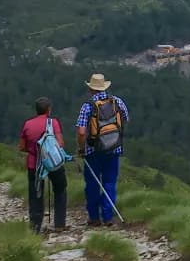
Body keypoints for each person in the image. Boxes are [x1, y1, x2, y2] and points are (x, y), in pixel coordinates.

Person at [76, 73, 130, 228]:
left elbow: (81, 131)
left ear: (91, 89)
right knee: (109, 183)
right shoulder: (117, 102)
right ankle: (108, 217)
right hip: (114, 148)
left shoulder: (88, 106)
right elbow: (125, 119)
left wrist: (81, 148)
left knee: (92, 184)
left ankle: (94, 218)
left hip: (93, 150)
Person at [18, 97, 68, 233]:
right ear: (48, 109)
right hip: (53, 162)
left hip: (34, 164)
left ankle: (35, 226)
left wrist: (32, 150)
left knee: (35, 194)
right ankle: (59, 223)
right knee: (60, 189)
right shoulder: (53, 123)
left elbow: (22, 146)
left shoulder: (27, 124)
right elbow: (60, 143)